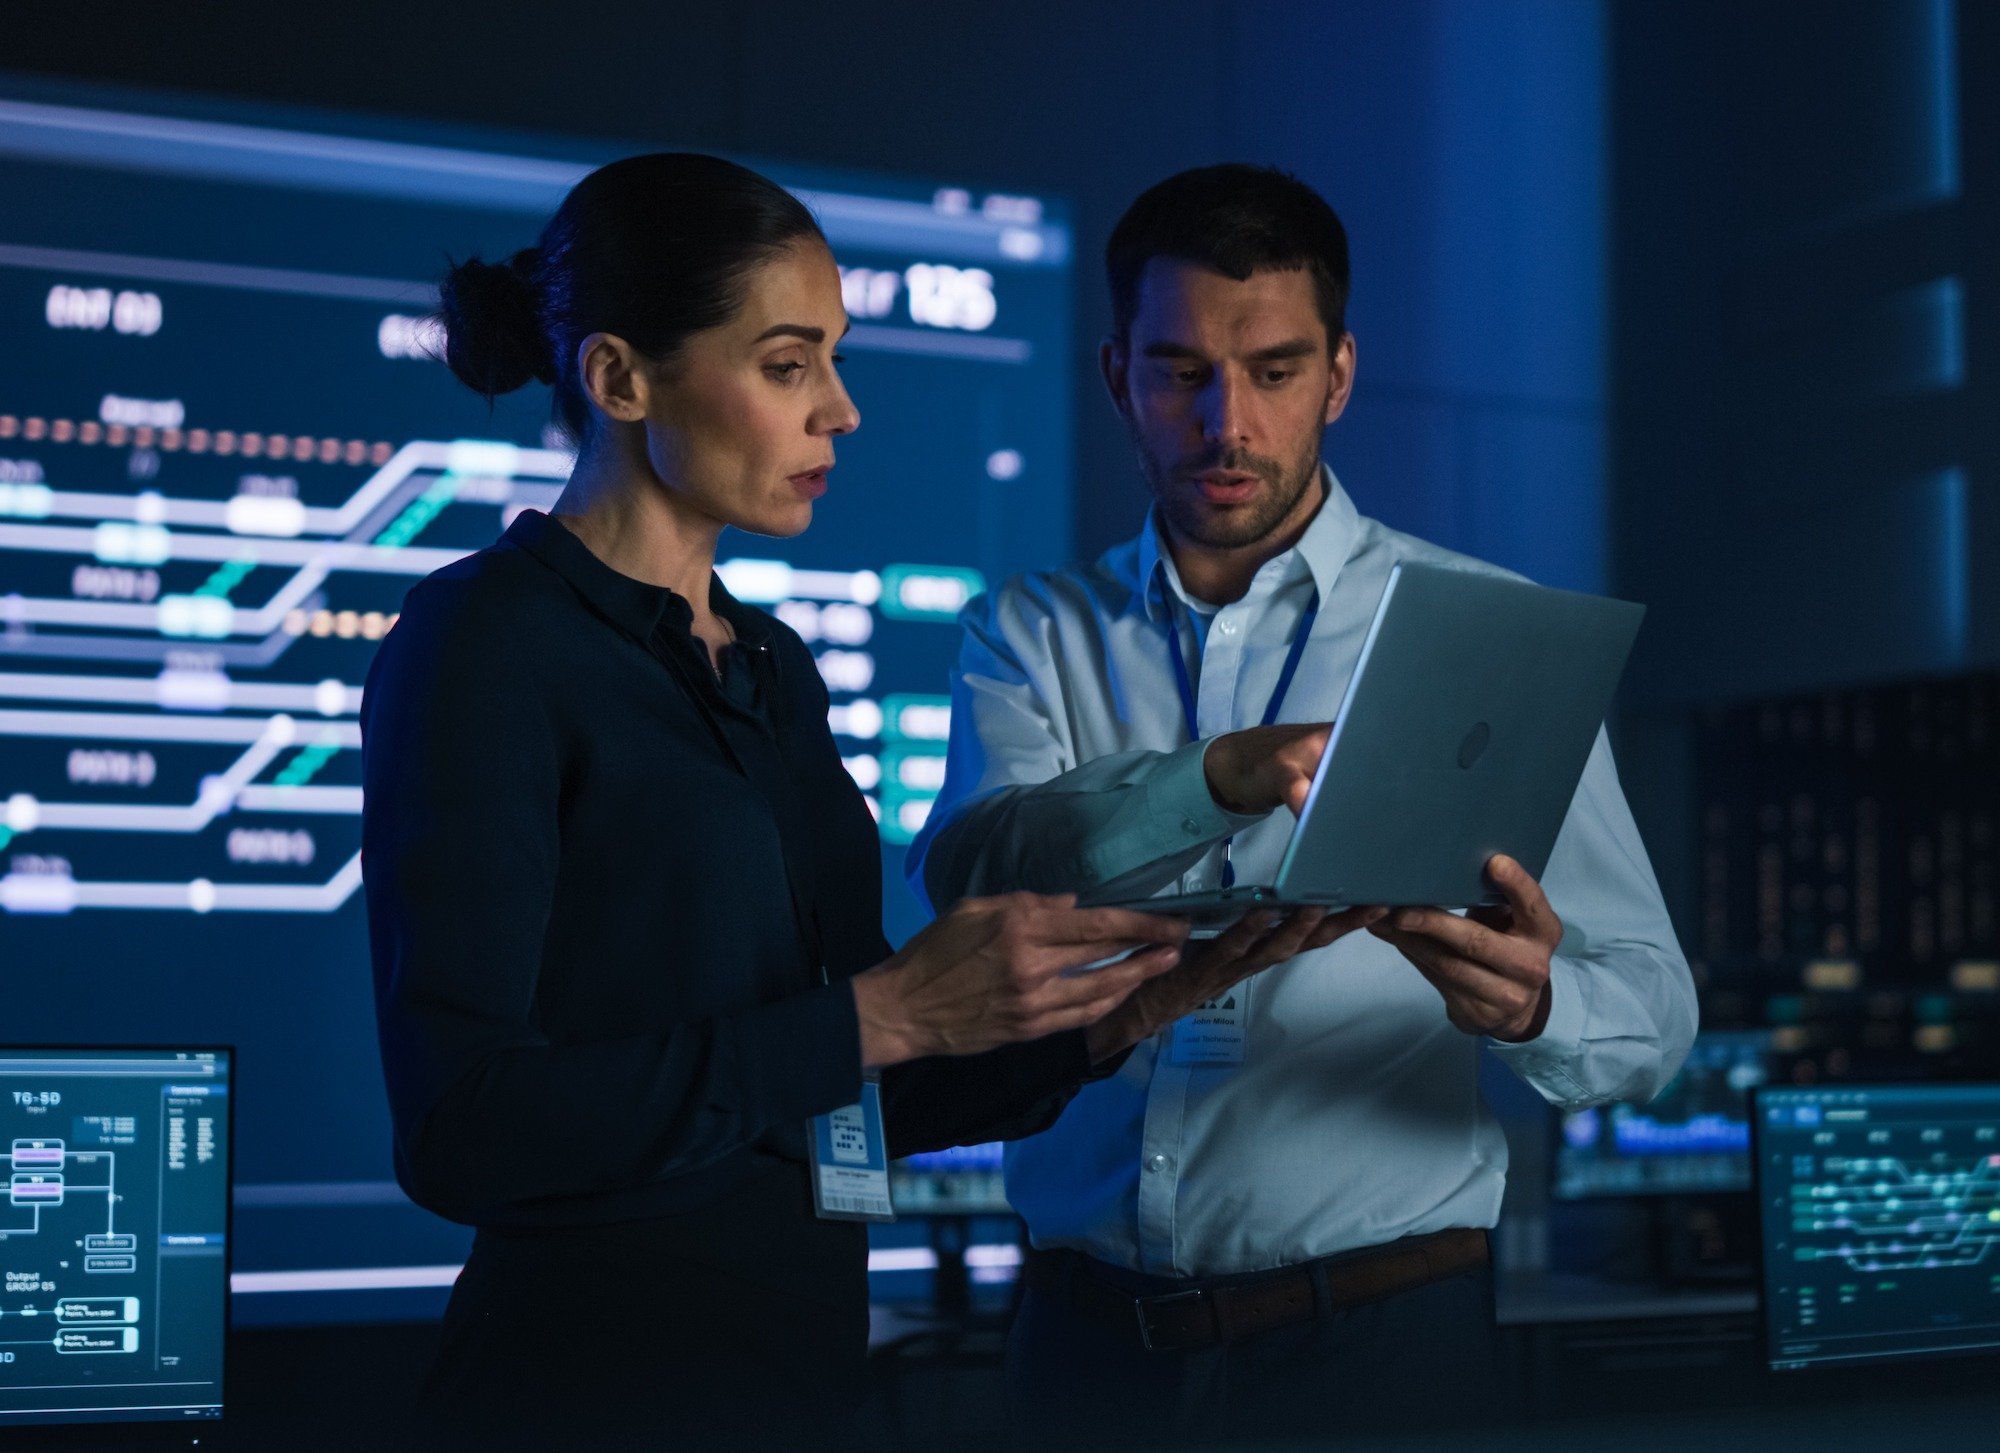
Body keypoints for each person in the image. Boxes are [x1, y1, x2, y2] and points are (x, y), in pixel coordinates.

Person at [358, 152, 1197, 1451]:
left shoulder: (768, 665)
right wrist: (879, 1012)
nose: (843, 412)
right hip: (581, 1397)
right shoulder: (482, 643)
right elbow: (464, 1129)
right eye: (790, 363)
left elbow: (839, 1087)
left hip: (797, 1383)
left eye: (835, 361)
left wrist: (1105, 1019)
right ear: (620, 378)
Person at [907, 164, 1699, 1447]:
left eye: (1272, 372)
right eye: (1179, 372)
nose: (1225, 421)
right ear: (1117, 377)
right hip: (1082, 1351)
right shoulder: (1027, 631)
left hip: (1382, 1349)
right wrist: (1215, 777)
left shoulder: (1486, 635)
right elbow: (977, 872)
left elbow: (1654, 1012)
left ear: (1335, 375)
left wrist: (1540, 1003)